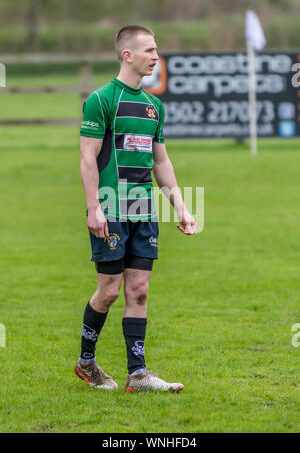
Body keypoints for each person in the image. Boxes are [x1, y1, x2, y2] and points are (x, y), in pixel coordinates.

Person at [75, 25, 196, 392]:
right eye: (149, 50)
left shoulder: (154, 106)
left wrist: (181, 206)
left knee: (139, 290)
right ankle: (86, 362)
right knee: (109, 290)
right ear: (127, 55)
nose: (155, 57)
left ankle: (138, 374)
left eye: (156, 50)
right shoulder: (101, 99)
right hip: (110, 210)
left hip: (143, 210)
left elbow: (161, 162)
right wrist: (93, 207)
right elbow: (87, 157)